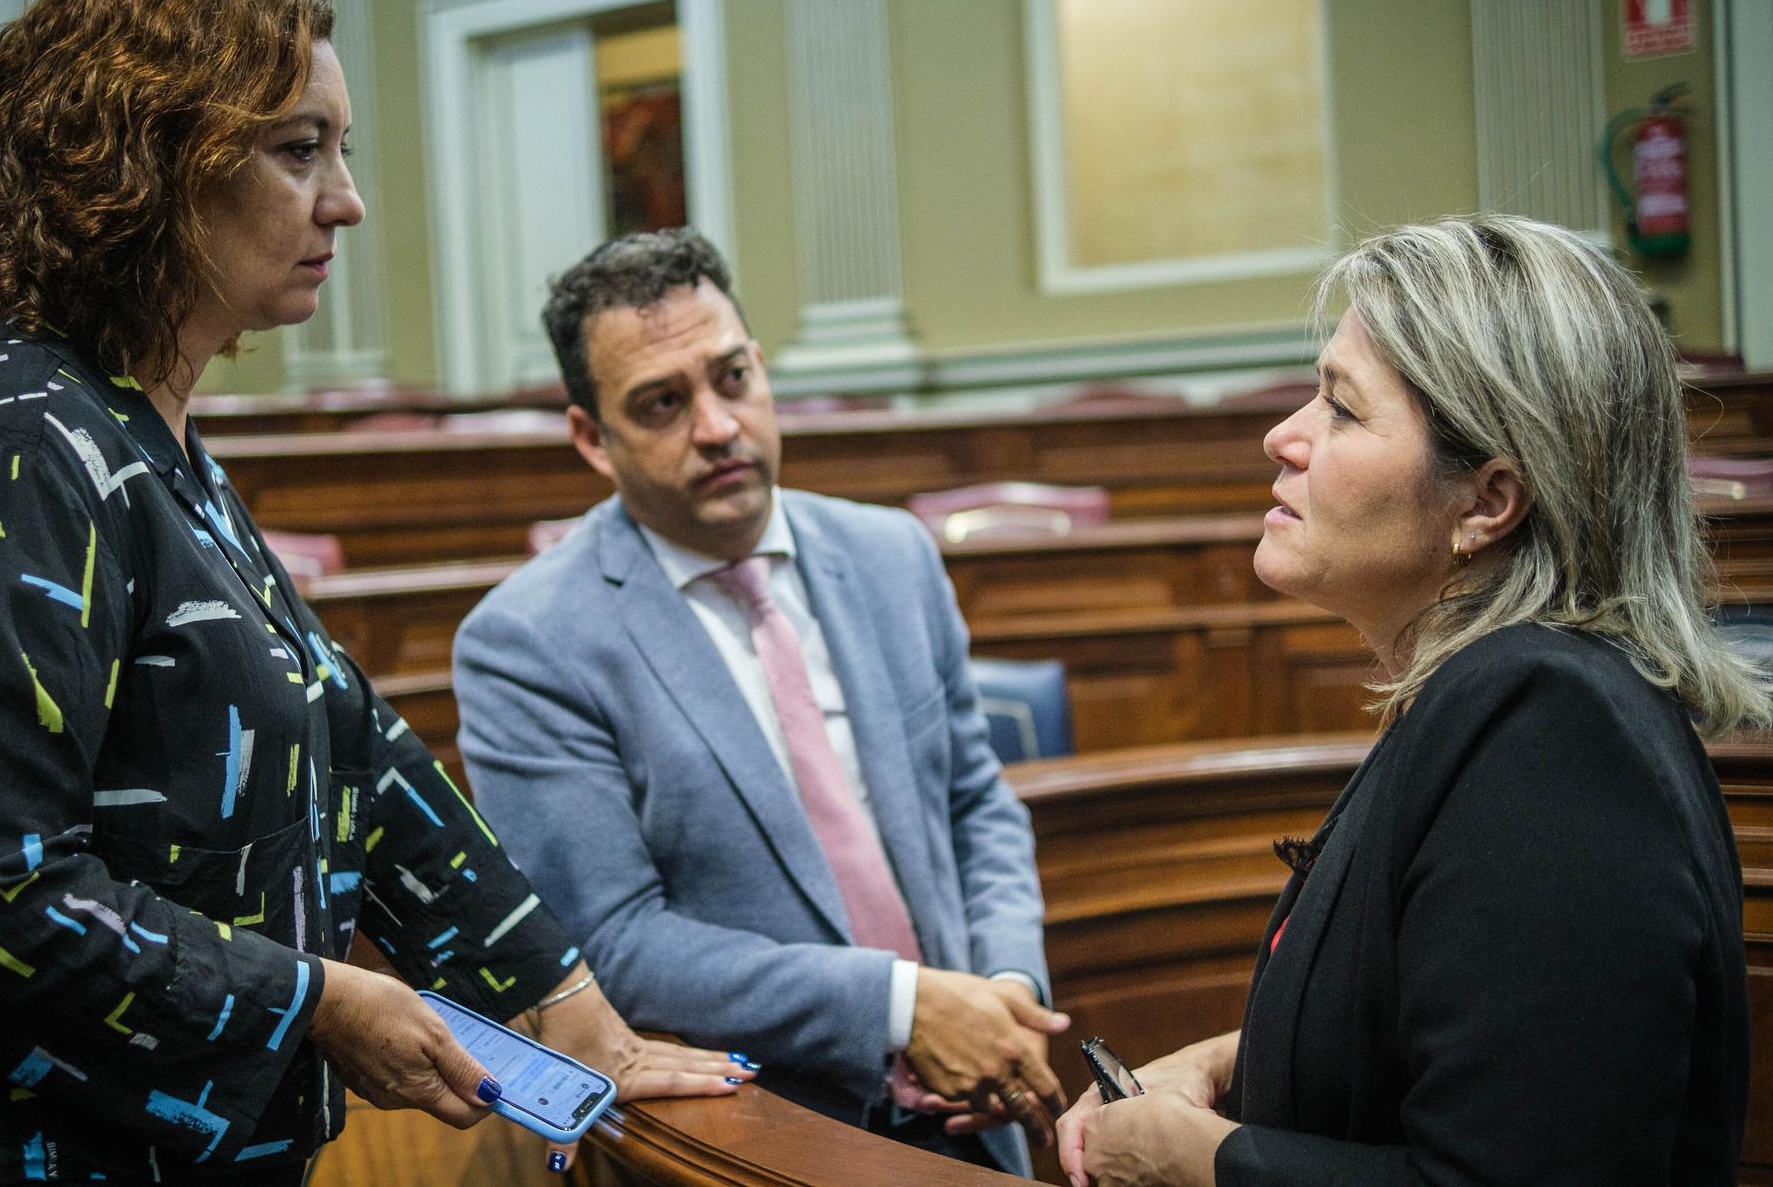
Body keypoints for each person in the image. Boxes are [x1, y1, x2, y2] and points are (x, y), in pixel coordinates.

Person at [0, 0, 749, 1185]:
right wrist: (317, 999)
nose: (343, 199)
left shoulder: (142, 436)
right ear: (146, 162)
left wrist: (570, 1009)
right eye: (299, 150)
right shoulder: (14, 449)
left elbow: (350, 742)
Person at [1056, 216, 1761, 1187]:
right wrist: (1226, 1064)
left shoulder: (1546, 724)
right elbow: (1465, 1034)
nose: (1282, 434)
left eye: (1340, 410)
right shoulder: (1499, 689)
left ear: (1485, 500)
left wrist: (1203, 1161)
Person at [454, 228, 1067, 1175]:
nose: (716, 425)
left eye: (731, 377)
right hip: (753, 1132)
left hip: (971, 1111)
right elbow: (611, 943)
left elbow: (975, 801)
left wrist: (1001, 990)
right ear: (591, 437)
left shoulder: (891, 555)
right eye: (661, 403)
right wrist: (901, 1006)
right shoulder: (529, 642)